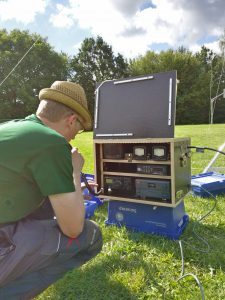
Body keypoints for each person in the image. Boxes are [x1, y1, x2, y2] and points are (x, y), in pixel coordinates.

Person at [0, 81, 103, 299]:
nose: (75, 135)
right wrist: (75, 173)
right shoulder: (52, 142)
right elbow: (73, 229)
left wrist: (74, 190)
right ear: (71, 120)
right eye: (78, 128)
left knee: (48, 207)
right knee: (91, 235)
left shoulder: (12, 127)